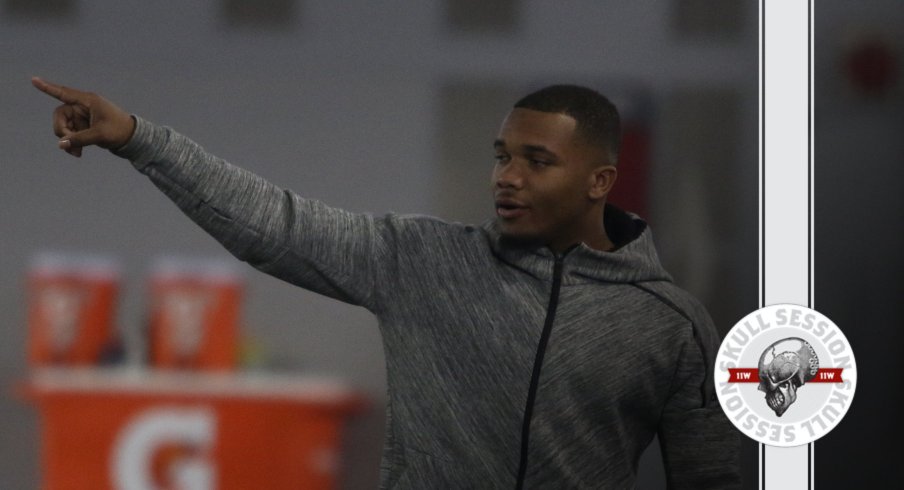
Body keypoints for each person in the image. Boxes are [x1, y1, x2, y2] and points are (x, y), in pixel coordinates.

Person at [32, 77, 741, 489]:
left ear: (600, 181)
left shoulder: (668, 325)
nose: (506, 177)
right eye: (501, 156)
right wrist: (139, 139)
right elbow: (273, 225)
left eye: (536, 160)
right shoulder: (421, 260)